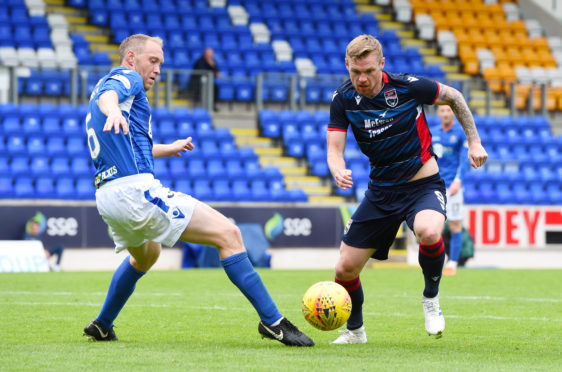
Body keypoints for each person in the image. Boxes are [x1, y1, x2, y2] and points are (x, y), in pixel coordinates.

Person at [82, 34, 313, 347]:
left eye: (161, 63)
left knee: (147, 255)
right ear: (131, 59)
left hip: (109, 196)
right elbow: (108, 97)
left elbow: (135, 146)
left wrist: (167, 147)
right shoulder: (126, 79)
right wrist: (112, 110)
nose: (158, 69)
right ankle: (273, 322)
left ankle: (102, 325)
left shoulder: (111, 89)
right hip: (135, 193)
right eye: (153, 61)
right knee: (228, 235)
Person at [326, 35, 488, 344]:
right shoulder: (343, 99)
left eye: (369, 71)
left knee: (429, 231)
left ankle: (431, 298)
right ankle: (355, 331)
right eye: (355, 72)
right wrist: (337, 168)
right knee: (345, 268)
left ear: (382, 65)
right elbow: (334, 149)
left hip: (421, 185)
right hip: (381, 192)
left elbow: (454, 97)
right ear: (347, 66)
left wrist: (474, 141)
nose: (362, 79)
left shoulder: (408, 86)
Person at [432, 105, 468, 276]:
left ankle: (452, 262)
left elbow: (465, 159)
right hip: (434, 185)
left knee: (455, 225)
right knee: (433, 228)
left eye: (448, 110)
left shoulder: (460, 133)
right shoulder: (433, 132)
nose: (446, 113)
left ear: (453, 112)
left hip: (453, 185)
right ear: (438, 113)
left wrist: (458, 181)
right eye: (442, 110)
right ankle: (436, 262)